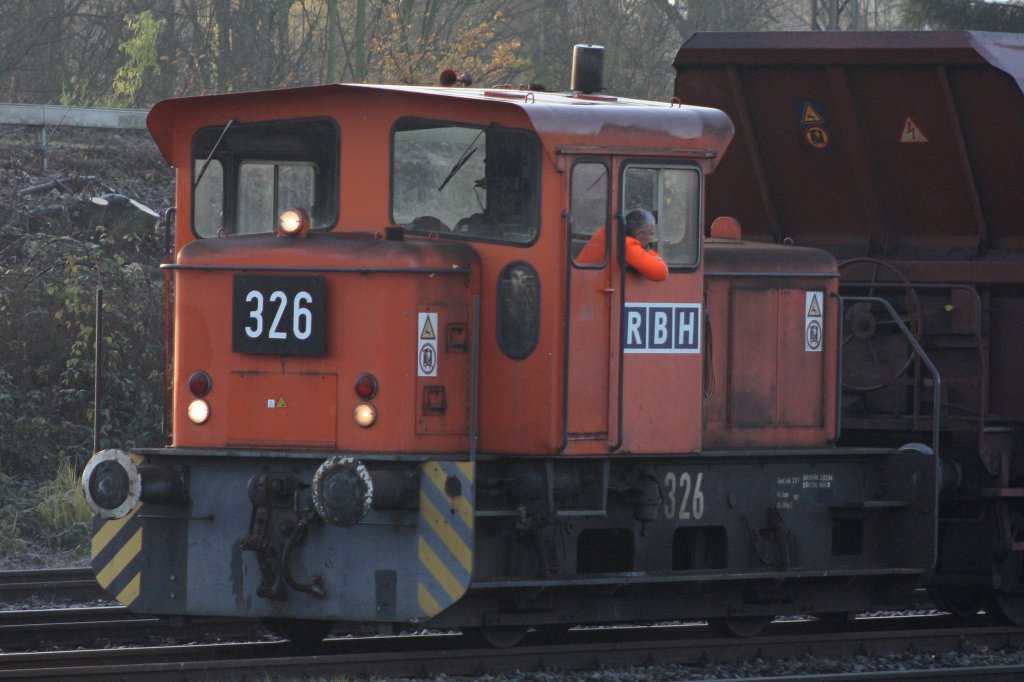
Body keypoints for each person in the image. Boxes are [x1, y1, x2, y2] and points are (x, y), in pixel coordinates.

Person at [576, 209, 668, 281]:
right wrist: (649, 253)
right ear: (639, 234)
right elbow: (661, 272)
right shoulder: (627, 245)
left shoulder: (611, 232)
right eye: (651, 234)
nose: (652, 239)